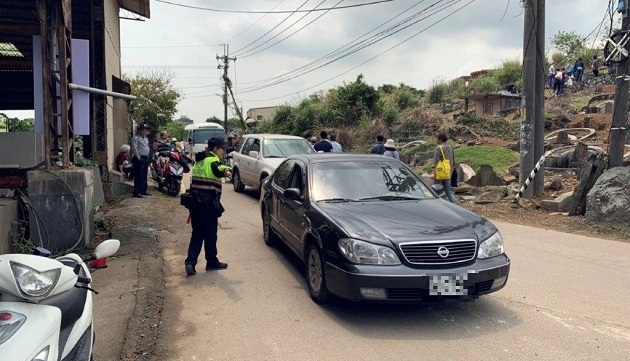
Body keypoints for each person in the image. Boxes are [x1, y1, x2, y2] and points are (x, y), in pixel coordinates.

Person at [185, 137, 233, 276]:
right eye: (222, 149)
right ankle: (212, 262)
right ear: (215, 149)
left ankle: (190, 262)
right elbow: (218, 169)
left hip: (195, 203)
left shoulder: (199, 160)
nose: (224, 152)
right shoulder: (213, 161)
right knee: (210, 235)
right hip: (208, 204)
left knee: (197, 234)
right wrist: (226, 170)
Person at [433, 133, 458, 204]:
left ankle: (436, 205)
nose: (436, 140)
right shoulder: (450, 147)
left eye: (436, 139)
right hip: (448, 172)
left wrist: (434, 171)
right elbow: (453, 160)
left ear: (440, 139)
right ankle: (456, 205)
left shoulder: (439, 148)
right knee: (448, 191)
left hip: (440, 172)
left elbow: (436, 161)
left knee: (435, 190)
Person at [130, 124, 151, 198]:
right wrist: (139, 158)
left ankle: (143, 190)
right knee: (139, 175)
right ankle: (137, 191)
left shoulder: (146, 139)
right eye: (144, 130)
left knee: (144, 175)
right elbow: (134, 149)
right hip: (139, 158)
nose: (145, 132)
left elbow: (146, 148)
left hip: (145, 158)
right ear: (140, 131)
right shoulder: (135, 138)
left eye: (146, 130)